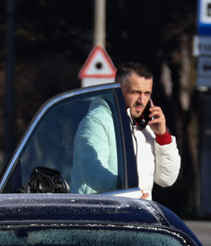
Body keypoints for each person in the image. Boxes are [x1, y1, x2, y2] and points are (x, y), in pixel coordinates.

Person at [72, 63, 179, 198]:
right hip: (100, 214)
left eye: (147, 94)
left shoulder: (144, 126)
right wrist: (132, 193)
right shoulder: (96, 121)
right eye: (135, 92)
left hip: (133, 214)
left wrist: (162, 136)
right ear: (117, 90)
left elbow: (166, 179)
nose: (141, 100)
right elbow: (92, 172)